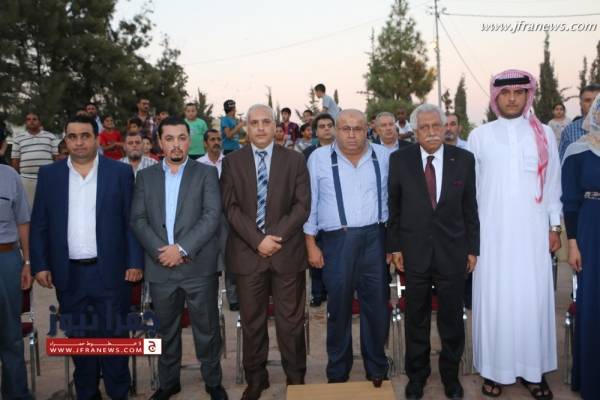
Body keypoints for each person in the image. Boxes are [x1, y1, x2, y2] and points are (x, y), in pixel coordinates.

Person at [30, 114, 144, 400]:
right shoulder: (49, 175)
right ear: (65, 140)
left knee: (114, 341)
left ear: (96, 139)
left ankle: (118, 393)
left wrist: (134, 261)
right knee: (81, 344)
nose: (79, 142)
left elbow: (131, 222)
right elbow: (40, 223)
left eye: (85, 136)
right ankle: (87, 393)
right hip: (69, 276)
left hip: (112, 274)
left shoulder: (119, 173)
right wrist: (40, 264)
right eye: (72, 137)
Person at [468, 70, 562, 398]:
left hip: (532, 235)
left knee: (531, 301)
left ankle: (533, 373)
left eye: (518, 92)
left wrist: (554, 226)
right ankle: (493, 370)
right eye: (505, 93)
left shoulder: (544, 134)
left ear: (527, 96)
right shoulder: (479, 136)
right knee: (494, 302)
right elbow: (470, 192)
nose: (512, 98)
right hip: (491, 236)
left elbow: (553, 184)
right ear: (496, 97)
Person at [130, 116, 228, 400]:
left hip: (199, 267)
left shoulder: (206, 173)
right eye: (169, 138)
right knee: (165, 330)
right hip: (161, 267)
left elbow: (212, 216)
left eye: (182, 138)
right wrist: (163, 252)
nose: (176, 144)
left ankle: (213, 381)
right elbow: (138, 220)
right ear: (160, 142)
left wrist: (181, 248)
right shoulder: (145, 177)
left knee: (207, 329)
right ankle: (168, 382)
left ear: (189, 141)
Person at [387, 104, 479, 400]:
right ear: (414, 131)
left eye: (436, 126)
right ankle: (417, 376)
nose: (431, 132)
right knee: (417, 318)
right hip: (413, 253)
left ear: (445, 127)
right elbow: (393, 207)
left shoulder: (463, 159)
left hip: (453, 252)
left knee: (451, 318)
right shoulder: (399, 160)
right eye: (424, 127)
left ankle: (451, 376)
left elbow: (470, 208)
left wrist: (472, 249)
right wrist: (394, 246)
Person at [221, 104, 310, 400]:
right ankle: (256, 379)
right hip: (248, 254)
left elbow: (301, 206)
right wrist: (258, 241)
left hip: (286, 254)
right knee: (252, 323)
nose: (260, 127)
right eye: (254, 123)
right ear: (246, 127)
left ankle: (296, 378)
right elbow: (230, 207)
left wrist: (274, 238)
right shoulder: (232, 162)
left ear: (275, 127)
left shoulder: (295, 160)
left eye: (266, 122)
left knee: (291, 323)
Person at [304, 109, 390, 386]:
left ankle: (376, 365)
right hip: (337, 241)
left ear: (368, 130)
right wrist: (310, 244)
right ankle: (338, 369)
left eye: (358, 128)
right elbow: (310, 202)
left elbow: (392, 199)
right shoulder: (318, 158)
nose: (352, 134)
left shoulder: (383, 156)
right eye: (345, 128)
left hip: (375, 238)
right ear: (335, 130)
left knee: (376, 306)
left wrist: (393, 244)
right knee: (338, 308)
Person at [561, 93, 600, 399]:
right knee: (593, 302)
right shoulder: (577, 150)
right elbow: (570, 202)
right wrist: (572, 244)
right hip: (590, 229)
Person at [0, 164, 33, 400]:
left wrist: (27, 262)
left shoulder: (10, 176)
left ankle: (16, 394)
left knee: (10, 333)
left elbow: (23, 222)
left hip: (6, 260)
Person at [197, 129, 238, 310]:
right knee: (208, 259)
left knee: (230, 257)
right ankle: (209, 299)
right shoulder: (198, 165)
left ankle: (233, 298)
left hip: (227, 218)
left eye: (218, 139)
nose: (216, 142)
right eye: (212, 139)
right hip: (204, 219)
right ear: (205, 143)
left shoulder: (230, 163)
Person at [303, 113, 336, 307]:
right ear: (315, 131)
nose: (326, 129)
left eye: (329, 125)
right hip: (314, 211)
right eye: (322, 126)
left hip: (335, 213)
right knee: (315, 253)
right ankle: (317, 293)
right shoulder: (308, 154)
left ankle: (336, 291)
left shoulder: (343, 150)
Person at [11, 112, 59, 205]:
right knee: (28, 207)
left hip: (47, 178)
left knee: (47, 205)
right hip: (26, 179)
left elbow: (56, 157)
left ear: (40, 122)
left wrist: (56, 176)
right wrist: (16, 178)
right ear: (26, 122)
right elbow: (15, 159)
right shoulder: (18, 139)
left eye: (34, 119)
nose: (31, 121)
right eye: (28, 119)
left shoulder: (50, 136)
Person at [559, 83, 600, 160]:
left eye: (596, 100)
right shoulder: (569, 132)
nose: (592, 104)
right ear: (581, 104)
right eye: (587, 100)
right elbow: (562, 161)